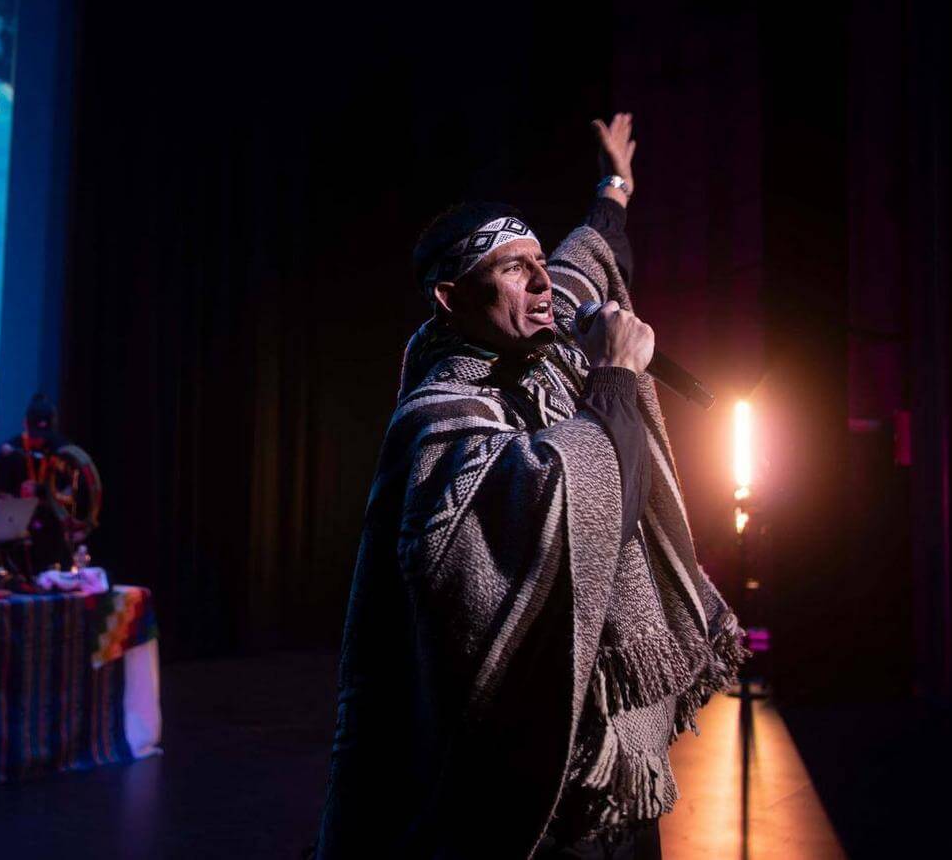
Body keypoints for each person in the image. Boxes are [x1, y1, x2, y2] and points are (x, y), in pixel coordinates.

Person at [315, 114, 748, 859]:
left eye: (537, 259)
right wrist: (615, 376)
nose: (544, 279)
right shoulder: (440, 419)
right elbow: (583, 504)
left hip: (612, 758)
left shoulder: (546, 337)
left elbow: (594, 251)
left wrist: (615, 182)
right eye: (513, 269)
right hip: (531, 776)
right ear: (450, 299)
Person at [0, 392, 102, 569]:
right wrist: (15, 496)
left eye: (44, 434)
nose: (39, 439)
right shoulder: (10, 451)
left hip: (53, 528)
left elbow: (76, 490)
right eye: (35, 433)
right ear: (25, 423)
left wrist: (41, 491)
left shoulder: (65, 451)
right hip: (20, 529)